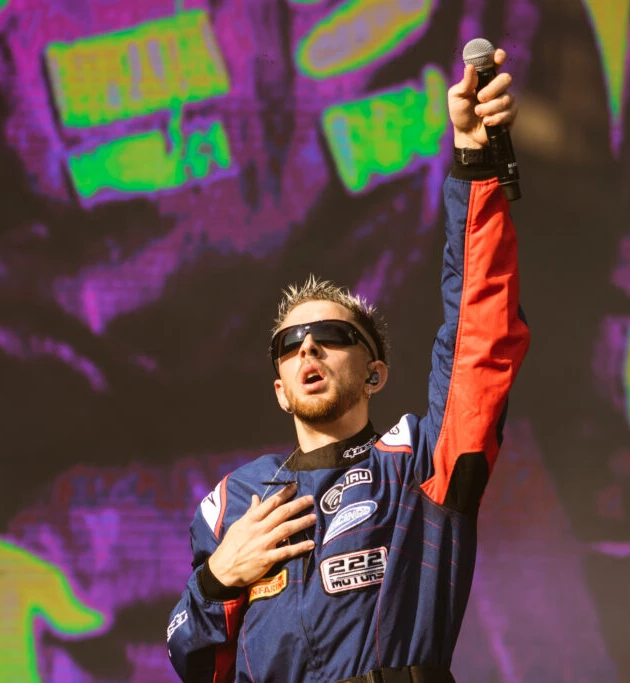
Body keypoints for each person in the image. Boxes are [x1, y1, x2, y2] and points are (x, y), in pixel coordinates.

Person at [167, 47, 530, 683]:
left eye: (330, 335)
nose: (306, 348)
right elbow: (194, 663)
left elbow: (478, 335)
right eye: (288, 344)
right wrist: (219, 578)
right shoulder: (232, 504)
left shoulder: (420, 460)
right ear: (278, 389)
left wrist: (477, 165)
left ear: (374, 372)